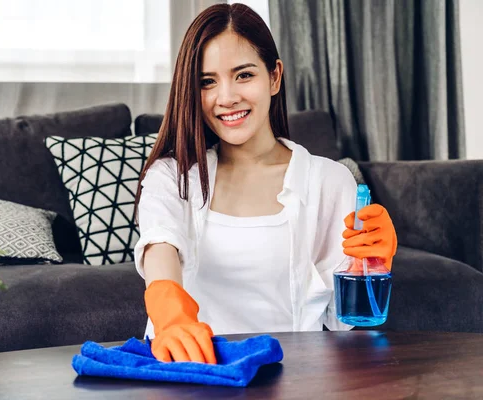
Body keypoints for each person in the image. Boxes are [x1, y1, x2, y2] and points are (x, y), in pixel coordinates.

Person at [133, 3, 397, 364]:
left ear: (274, 77)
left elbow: (341, 321)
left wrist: (373, 265)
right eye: (207, 81)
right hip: (192, 373)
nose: (226, 98)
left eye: (243, 75)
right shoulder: (173, 177)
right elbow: (159, 245)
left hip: (291, 376)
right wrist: (169, 312)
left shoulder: (329, 182)